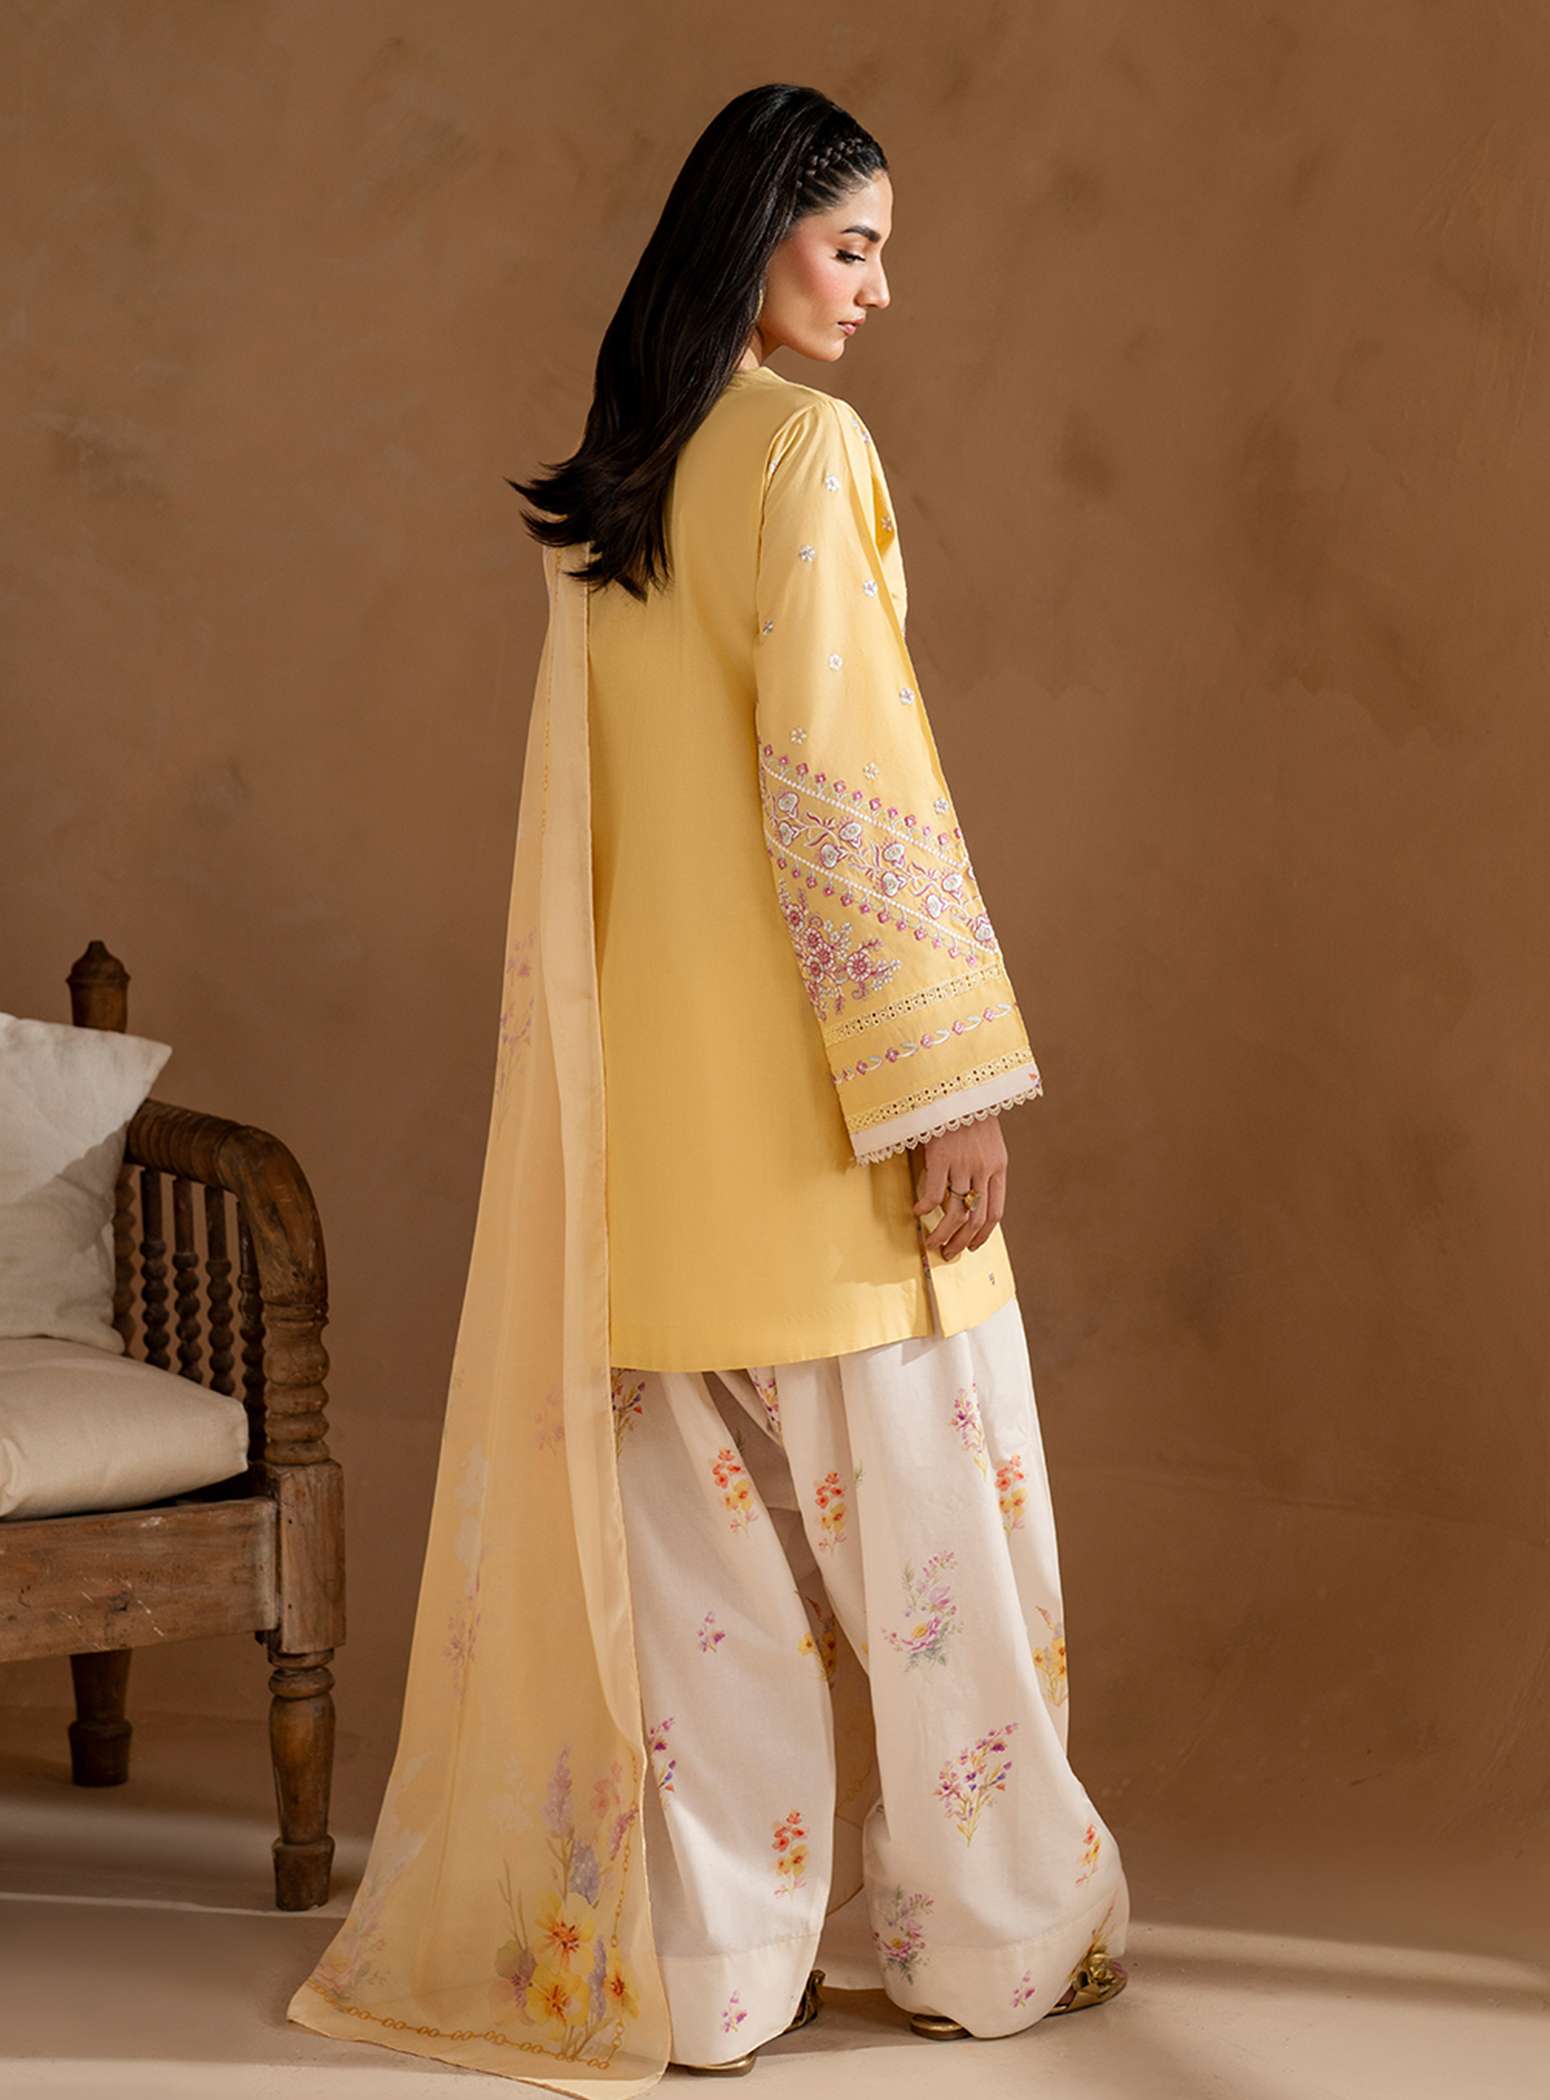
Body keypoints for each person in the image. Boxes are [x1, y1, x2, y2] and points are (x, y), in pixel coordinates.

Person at [286, 84, 1126, 2095]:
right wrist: (946, 1093)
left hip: (644, 1158)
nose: (878, 289)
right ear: (757, 240)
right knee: (940, 1576)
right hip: (820, 1138)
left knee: (696, 1604)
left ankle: (708, 1979)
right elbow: (852, 783)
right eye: (852, 246)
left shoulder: (621, 484)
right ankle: (993, 1951)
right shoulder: (803, 451)